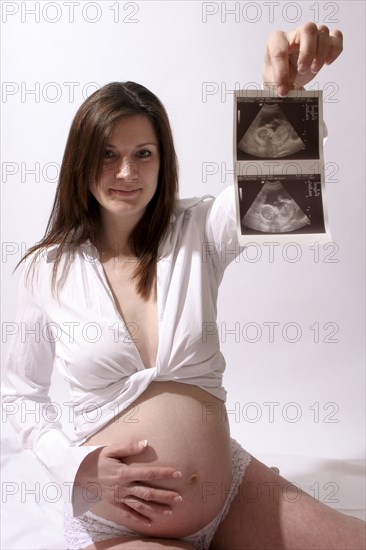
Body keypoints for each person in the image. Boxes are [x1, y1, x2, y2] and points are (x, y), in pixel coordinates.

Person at [2, 22, 365, 550]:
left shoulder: (200, 230)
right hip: (118, 521)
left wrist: (287, 95)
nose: (126, 171)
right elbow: (21, 395)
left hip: (234, 490)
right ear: (80, 161)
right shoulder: (46, 270)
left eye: (143, 153)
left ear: (162, 159)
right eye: (107, 153)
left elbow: (278, 194)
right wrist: (76, 467)